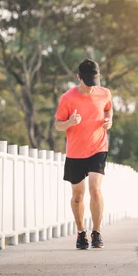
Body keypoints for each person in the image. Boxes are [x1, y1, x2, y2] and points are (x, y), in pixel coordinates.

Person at [55, 58, 113, 250]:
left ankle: (96, 232)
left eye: (94, 81)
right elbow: (57, 125)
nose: (91, 86)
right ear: (78, 77)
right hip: (76, 152)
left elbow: (108, 109)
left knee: (95, 188)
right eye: (87, 82)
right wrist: (70, 123)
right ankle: (81, 232)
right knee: (78, 195)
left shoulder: (104, 93)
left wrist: (108, 121)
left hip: (98, 147)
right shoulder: (67, 98)